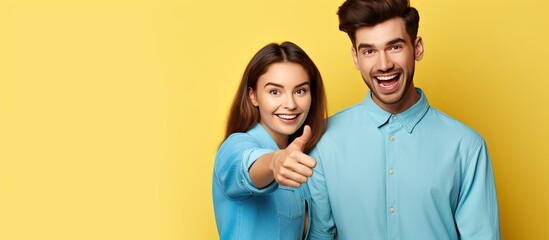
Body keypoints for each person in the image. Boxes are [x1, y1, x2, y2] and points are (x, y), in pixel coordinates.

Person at [307, 0, 500, 239]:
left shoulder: (467, 147)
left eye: (394, 47)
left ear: (417, 48)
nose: (384, 64)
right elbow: (320, 234)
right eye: (369, 51)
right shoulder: (325, 142)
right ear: (356, 57)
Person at [212, 41, 327, 240]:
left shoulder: (303, 162)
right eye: (275, 92)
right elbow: (245, 164)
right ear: (253, 96)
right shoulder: (235, 146)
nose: (290, 104)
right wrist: (274, 162)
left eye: (300, 91)